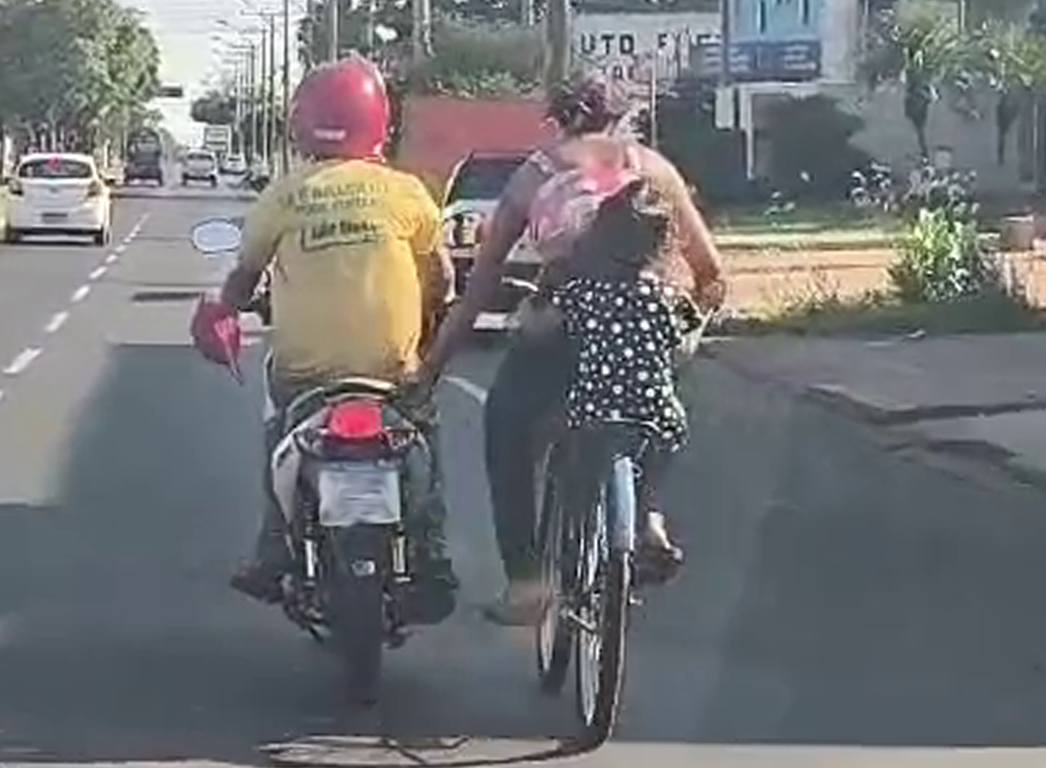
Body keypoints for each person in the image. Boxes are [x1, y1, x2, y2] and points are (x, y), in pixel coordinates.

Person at [417, 70, 728, 625]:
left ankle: (526, 581)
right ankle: (648, 516)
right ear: (624, 117)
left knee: (506, 423)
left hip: (559, 333)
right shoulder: (655, 170)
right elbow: (711, 276)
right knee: (659, 419)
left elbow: (478, 290)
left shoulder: (534, 175)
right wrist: (683, 336)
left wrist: (431, 369)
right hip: (645, 332)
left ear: (558, 120)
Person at [195, 54, 459, 620]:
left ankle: (273, 547)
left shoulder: (284, 195)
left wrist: (224, 311)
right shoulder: (404, 191)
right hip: (391, 370)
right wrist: (432, 320)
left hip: (305, 373)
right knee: (425, 436)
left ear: (301, 123)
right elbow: (440, 274)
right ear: (379, 122)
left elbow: (241, 280)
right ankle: (432, 554)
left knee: (278, 427)